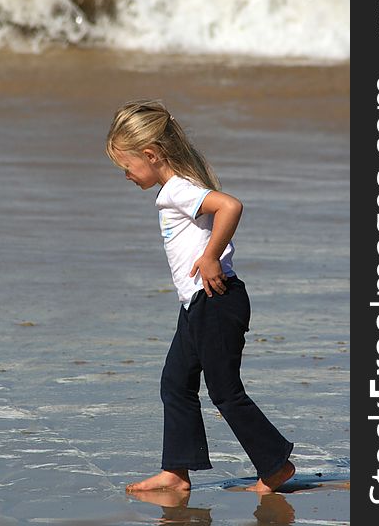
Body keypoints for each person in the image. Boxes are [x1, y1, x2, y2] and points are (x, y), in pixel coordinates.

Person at [105, 99, 295, 494]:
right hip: (196, 303)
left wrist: (210, 257)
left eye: (126, 166)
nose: (125, 175)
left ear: (151, 154)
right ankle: (176, 472)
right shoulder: (174, 188)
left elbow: (231, 206)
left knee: (225, 391)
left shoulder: (178, 189)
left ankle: (275, 464)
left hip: (216, 299)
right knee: (175, 383)